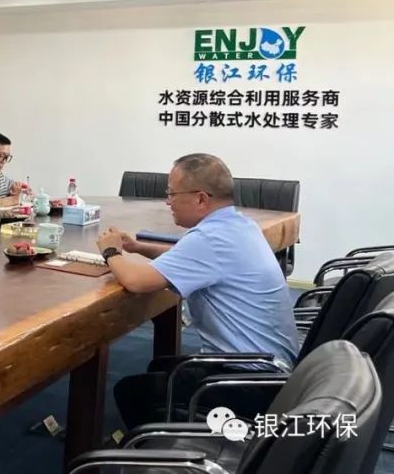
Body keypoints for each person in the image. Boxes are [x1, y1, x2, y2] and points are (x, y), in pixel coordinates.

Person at [96, 153, 299, 428]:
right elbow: (190, 257)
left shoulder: (209, 238)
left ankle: (162, 447)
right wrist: (138, 247)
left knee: (131, 392)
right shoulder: (238, 225)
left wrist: (110, 252)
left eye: (171, 193)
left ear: (201, 199)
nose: (168, 202)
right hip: (276, 370)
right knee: (161, 367)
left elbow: (136, 282)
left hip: (252, 382)